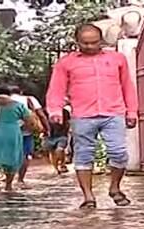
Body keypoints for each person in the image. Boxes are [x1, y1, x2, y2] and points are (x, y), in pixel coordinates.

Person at [46, 24, 138, 209]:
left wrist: (132, 111)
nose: (89, 46)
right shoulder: (66, 63)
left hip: (113, 112)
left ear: (101, 40)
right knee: (83, 155)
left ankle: (115, 188)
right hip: (82, 115)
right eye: (85, 43)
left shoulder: (117, 59)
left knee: (118, 152)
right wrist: (55, 110)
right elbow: (56, 88)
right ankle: (88, 197)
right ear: (77, 42)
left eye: (94, 42)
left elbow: (127, 85)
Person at [11, 85, 49, 187]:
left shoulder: (5, 101)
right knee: (25, 155)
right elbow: (41, 115)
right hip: (27, 130)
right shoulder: (30, 99)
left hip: (9, 131)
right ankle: (20, 179)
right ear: (21, 92)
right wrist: (46, 129)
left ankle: (7, 178)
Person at [44, 106, 71, 174]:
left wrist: (67, 131)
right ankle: (56, 168)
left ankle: (62, 164)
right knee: (52, 151)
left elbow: (68, 122)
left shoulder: (64, 111)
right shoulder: (45, 110)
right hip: (49, 135)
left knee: (60, 150)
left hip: (62, 134)